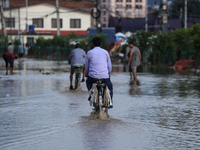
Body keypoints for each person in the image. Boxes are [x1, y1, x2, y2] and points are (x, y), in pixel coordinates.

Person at [85, 37, 113, 117]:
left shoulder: (89, 52)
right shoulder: (105, 52)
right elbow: (109, 65)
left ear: (93, 44)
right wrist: (109, 73)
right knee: (110, 88)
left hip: (92, 77)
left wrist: (86, 73)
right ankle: (107, 111)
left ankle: (91, 94)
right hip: (105, 76)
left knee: (88, 82)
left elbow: (87, 66)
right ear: (101, 44)